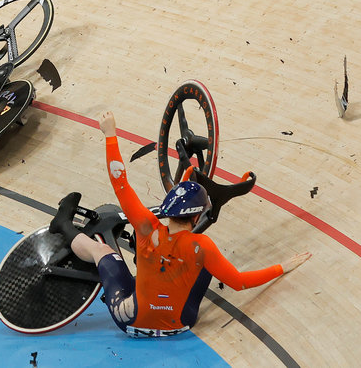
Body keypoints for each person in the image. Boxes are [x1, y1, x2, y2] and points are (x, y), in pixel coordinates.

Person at [49, 110, 312, 337]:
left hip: (131, 320)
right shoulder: (203, 246)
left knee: (102, 252)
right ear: (197, 217)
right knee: (205, 266)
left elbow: (120, 183)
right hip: (181, 323)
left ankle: (64, 224)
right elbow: (239, 282)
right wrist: (283, 267)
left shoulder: (145, 227)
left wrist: (110, 134)